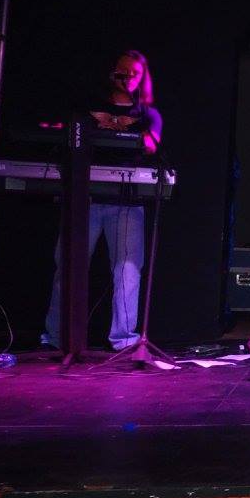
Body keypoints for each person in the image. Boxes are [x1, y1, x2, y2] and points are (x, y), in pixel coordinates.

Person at [41, 50, 163, 351]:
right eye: (123, 71)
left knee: (128, 270)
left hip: (127, 201)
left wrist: (128, 130)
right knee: (68, 266)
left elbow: (151, 146)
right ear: (113, 72)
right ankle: (55, 337)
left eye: (135, 73)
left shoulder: (148, 115)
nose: (128, 77)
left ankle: (124, 341)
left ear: (143, 78)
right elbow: (70, 138)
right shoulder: (89, 107)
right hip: (86, 198)